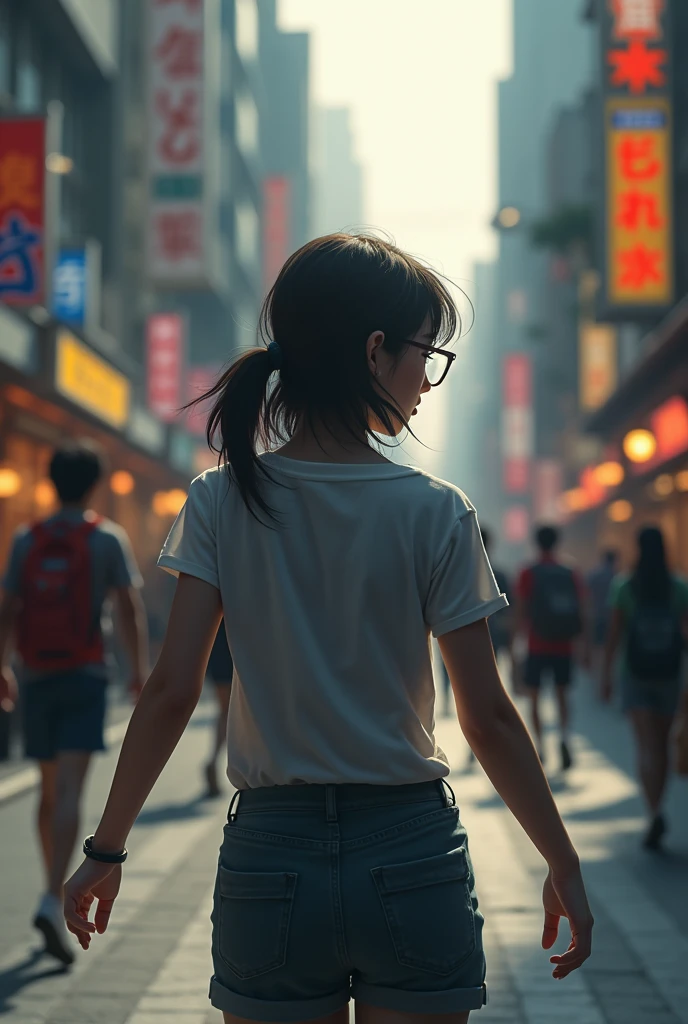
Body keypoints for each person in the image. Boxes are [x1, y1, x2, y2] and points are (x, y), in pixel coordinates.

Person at [63, 234, 593, 1023]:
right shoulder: (435, 511)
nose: (426, 380)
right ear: (376, 351)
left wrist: (106, 849)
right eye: (425, 354)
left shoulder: (219, 500)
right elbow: (485, 716)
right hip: (411, 850)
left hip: (271, 861)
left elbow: (173, 690)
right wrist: (562, 861)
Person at [0, 441, 147, 966]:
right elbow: (128, 605)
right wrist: (137, 672)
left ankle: (47, 882)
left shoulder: (27, 537)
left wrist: (3, 665)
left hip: (36, 675)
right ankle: (49, 893)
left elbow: (9, 604)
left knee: (46, 789)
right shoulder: (106, 537)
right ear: (93, 485)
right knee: (70, 792)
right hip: (85, 675)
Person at [602, 526, 688, 850]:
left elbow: (613, 635)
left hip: (634, 673)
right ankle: (659, 807)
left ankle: (652, 813)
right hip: (668, 674)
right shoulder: (678, 586)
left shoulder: (625, 586)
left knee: (645, 746)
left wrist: (606, 676)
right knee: (663, 745)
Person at [515, 525, 587, 772]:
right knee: (562, 695)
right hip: (564, 645)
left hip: (537, 643)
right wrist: (585, 645)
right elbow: (581, 608)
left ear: (536, 543)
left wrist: (517, 642)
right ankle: (564, 737)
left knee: (534, 697)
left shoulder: (528, 572)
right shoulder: (569, 571)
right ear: (556, 542)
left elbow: (521, 610)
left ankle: (541, 745)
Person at [203, 622, 233, 798]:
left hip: (217, 651)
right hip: (238, 650)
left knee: (225, 711)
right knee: (237, 712)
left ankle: (214, 759)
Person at [587, 549, 618, 672]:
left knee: (597, 645)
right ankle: (607, 668)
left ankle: (597, 669)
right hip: (611, 617)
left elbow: (587, 595)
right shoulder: (617, 576)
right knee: (610, 644)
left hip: (596, 614)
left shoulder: (594, 575)